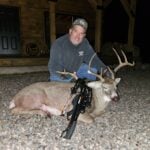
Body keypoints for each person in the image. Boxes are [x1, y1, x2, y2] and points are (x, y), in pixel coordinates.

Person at [48, 18, 110, 82]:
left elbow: (93, 59)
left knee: (93, 70)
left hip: (76, 69)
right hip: (60, 73)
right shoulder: (59, 43)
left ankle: (88, 83)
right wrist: (67, 77)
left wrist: (105, 70)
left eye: (81, 33)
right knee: (63, 87)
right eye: (76, 31)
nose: (77, 36)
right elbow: (54, 65)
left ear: (84, 35)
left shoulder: (85, 43)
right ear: (70, 31)